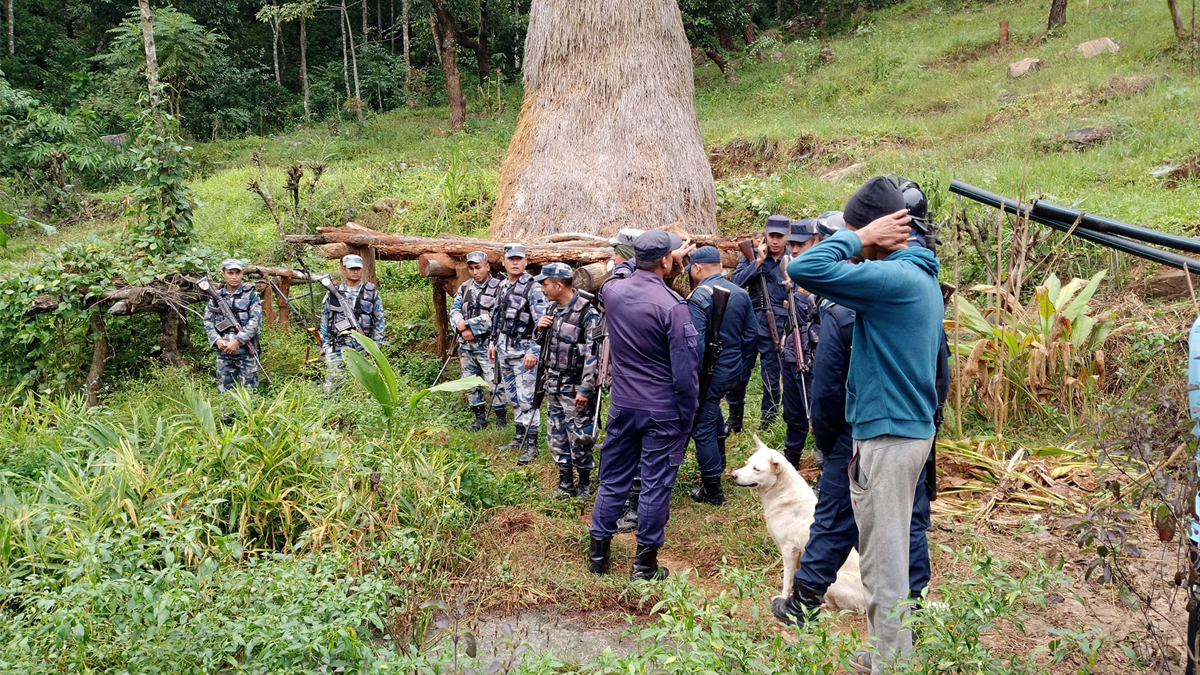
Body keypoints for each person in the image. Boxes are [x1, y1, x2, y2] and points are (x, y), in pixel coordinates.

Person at [786, 176, 943, 674]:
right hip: (901, 431)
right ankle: (885, 652)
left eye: (858, 236)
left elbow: (803, 266)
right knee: (884, 556)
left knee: (885, 565)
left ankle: (890, 666)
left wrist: (859, 234)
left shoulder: (894, 279)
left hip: (891, 438)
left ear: (882, 232)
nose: (853, 252)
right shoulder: (916, 276)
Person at [588, 229, 698, 581]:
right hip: (662, 410)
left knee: (612, 478)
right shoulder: (673, 307)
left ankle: (598, 556)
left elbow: (620, 272)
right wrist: (688, 415)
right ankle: (644, 565)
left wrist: (649, 259)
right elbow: (685, 375)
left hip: (622, 405)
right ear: (667, 261)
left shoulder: (612, 292)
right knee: (655, 485)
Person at [685, 246, 757, 506]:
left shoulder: (699, 297)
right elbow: (751, 336)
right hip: (733, 370)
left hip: (710, 374)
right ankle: (721, 462)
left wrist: (692, 379)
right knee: (713, 411)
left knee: (702, 428)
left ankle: (712, 490)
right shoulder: (740, 293)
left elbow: (696, 346)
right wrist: (740, 365)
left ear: (697, 268)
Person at [534, 263, 601, 499]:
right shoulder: (552, 308)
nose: (542, 288)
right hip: (553, 384)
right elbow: (546, 347)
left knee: (579, 436)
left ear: (559, 284)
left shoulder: (587, 314)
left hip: (575, 390)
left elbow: (594, 356)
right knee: (556, 434)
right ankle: (565, 483)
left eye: (545, 284)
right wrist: (539, 329)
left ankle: (584, 483)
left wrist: (585, 389)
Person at [729, 215, 791, 433]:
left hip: (776, 328)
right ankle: (734, 419)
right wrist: (756, 263)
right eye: (771, 235)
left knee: (771, 378)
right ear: (765, 233)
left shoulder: (791, 261)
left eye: (779, 237)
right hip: (748, 327)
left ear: (787, 236)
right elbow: (736, 284)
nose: (774, 241)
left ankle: (768, 423)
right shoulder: (752, 255)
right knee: (738, 375)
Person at [489, 243, 548, 464]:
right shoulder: (502, 286)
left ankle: (531, 445)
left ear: (525, 262)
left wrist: (534, 351)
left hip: (525, 354)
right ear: (503, 261)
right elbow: (498, 317)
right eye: (511, 258)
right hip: (505, 350)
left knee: (527, 400)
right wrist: (493, 342)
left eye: (519, 259)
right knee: (513, 397)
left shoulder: (532, 287)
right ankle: (519, 437)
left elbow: (543, 323)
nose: (515, 262)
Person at [778, 217, 821, 470]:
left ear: (815, 242)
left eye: (800, 245)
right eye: (791, 244)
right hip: (792, 354)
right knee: (793, 414)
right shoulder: (792, 271)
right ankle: (791, 464)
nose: (793, 250)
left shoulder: (824, 274)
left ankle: (823, 469)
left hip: (814, 358)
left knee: (817, 417)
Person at [450, 251, 506, 431]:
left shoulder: (499, 287)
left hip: (488, 344)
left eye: (478, 267)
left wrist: (467, 326)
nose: (475, 272)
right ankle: (479, 418)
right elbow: (454, 310)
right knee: (471, 382)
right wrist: (460, 326)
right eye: (471, 268)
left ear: (487, 266)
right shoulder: (465, 287)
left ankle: (500, 419)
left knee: (494, 382)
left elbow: (495, 317)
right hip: (467, 347)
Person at [319, 254, 386, 394]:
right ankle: (330, 414)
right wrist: (326, 347)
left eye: (358, 268)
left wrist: (375, 347)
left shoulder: (372, 293)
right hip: (337, 347)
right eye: (351, 268)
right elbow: (325, 320)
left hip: (362, 348)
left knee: (363, 387)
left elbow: (379, 321)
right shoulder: (333, 293)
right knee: (333, 385)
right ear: (344, 269)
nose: (355, 272)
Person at [203, 258, 263, 393]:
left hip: (246, 353)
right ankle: (227, 415)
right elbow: (208, 321)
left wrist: (237, 341)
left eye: (237, 273)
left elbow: (255, 322)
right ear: (223, 273)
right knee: (226, 394)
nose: (234, 277)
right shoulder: (216, 297)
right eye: (230, 273)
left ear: (242, 274)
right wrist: (217, 340)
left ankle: (249, 415)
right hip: (224, 353)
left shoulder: (251, 294)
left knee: (249, 393)